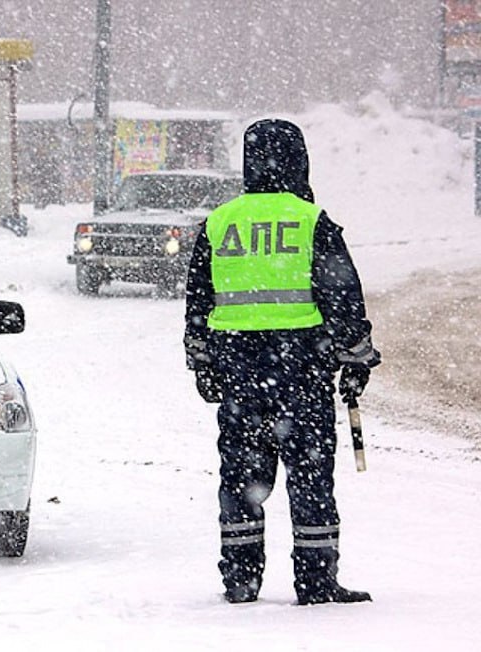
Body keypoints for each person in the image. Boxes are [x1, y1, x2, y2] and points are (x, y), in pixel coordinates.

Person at [182, 119, 381, 605]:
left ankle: (241, 581)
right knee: (310, 479)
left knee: (242, 479)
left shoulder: (219, 223)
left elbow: (197, 304)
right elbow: (343, 300)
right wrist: (356, 360)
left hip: (239, 378)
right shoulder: (311, 221)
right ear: (299, 161)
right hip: (302, 375)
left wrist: (203, 364)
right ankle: (317, 583)